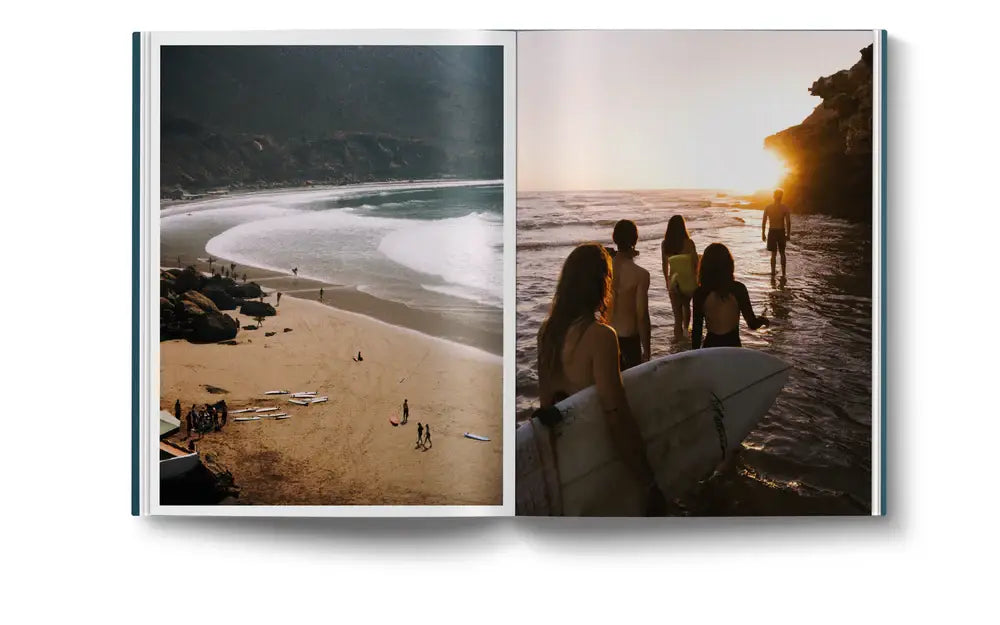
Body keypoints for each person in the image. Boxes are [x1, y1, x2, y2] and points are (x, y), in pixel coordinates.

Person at [536, 243, 666, 515]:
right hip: (597, 459)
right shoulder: (602, 337)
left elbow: (546, 406)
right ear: (600, 284)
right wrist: (648, 481)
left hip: (566, 463)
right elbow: (616, 415)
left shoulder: (546, 333)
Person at [691, 243, 770, 349]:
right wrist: (762, 320)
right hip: (733, 349)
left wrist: (695, 356)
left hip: (710, 349)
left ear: (704, 266)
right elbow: (752, 324)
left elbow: (697, 333)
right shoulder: (738, 289)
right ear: (729, 265)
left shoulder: (700, 293)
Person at [607, 220, 650, 370]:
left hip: (606, 337)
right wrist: (647, 351)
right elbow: (642, 316)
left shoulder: (604, 270)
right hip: (628, 340)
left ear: (614, 238)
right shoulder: (640, 274)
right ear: (635, 240)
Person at [661, 215, 699, 338]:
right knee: (686, 306)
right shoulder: (689, 243)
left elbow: (664, 265)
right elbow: (695, 262)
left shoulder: (665, 244)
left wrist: (667, 281)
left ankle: (677, 341)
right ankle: (686, 333)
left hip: (674, 281)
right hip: (688, 280)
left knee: (677, 316)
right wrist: (696, 277)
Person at [762, 189, 792, 277]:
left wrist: (763, 233)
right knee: (782, 253)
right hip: (781, 231)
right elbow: (788, 222)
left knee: (773, 254)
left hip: (772, 231)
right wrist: (788, 234)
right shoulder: (785, 208)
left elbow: (764, 221)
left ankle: (772, 272)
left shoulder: (768, 207)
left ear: (773, 196)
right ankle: (784, 274)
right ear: (781, 197)